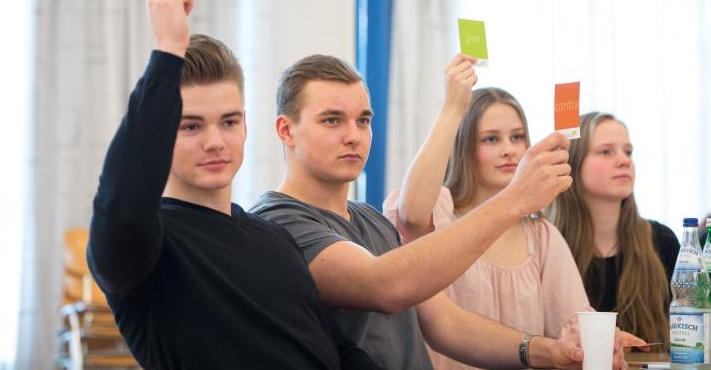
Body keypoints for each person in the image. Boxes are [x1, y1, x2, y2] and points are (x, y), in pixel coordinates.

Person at [250, 53, 640, 369]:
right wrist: (515, 198)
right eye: (332, 120)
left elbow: (447, 324)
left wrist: (546, 351)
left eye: (363, 120)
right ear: (286, 130)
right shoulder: (277, 220)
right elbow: (385, 286)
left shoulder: (369, 220)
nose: (353, 135)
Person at [87, 0, 382, 369]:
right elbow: (121, 205)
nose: (215, 141)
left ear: (245, 126)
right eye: (190, 126)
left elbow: (335, 350)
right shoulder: (147, 252)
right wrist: (168, 52)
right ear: (161, 134)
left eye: (228, 122)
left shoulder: (274, 238)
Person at [383, 73, 594, 370]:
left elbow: (575, 323)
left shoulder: (541, 235)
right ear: (465, 145)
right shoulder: (440, 210)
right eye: (491, 139)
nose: (508, 149)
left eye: (517, 137)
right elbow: (411, 215)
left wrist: (597, 341)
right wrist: (452, 108)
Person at [547, 111, 680, 349]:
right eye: (606, 152)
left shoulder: (662, 240)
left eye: (627, 152)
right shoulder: (546, 243)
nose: (624, 160)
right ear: (573, 164)